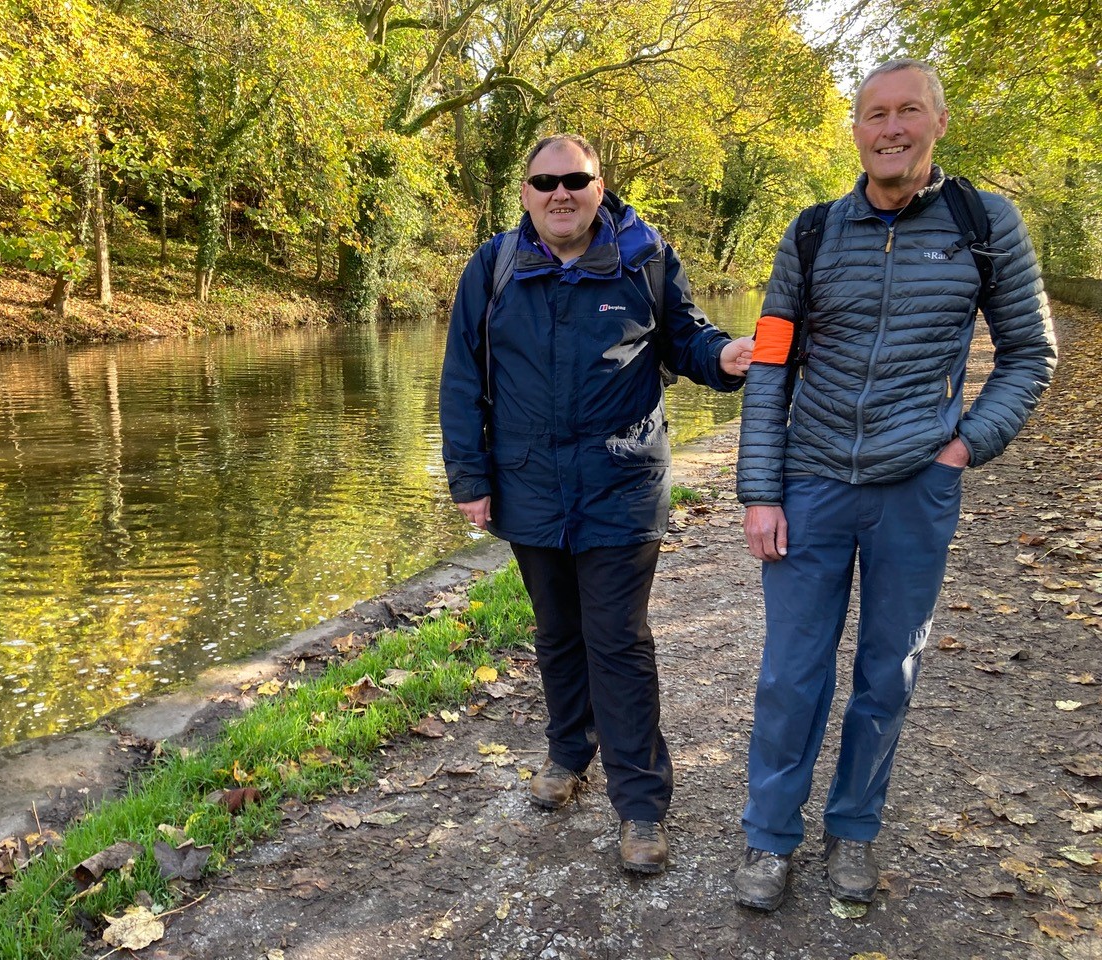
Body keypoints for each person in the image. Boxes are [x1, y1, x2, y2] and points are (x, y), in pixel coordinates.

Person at [733, 59, 1056, 910]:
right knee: (790, 673)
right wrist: (760, 491)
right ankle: (769, 839)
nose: (890, 129)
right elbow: (770, 368)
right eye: (875, 114)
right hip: (810, 483)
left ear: (937, 123)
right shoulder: (810, 233)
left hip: (917, 485)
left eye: (908, 111)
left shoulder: (985, 224)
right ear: (856, 131)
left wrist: (965, 447)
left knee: (889, 672)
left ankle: (855, 830)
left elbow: (1030, 355)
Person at [439, 133, 754, 874]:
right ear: (524, 193)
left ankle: (642, 804)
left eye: (574, 179)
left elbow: (687, 339)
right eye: (544, 181)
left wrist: (725, 359)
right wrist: (470, 478)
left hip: (622, 481)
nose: (560, 193)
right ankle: (568, 752)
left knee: (617, 639)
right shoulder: (492, 269)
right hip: (528, 482)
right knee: (556, 632)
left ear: (598, 186)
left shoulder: (644, 257)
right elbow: (461, 380)